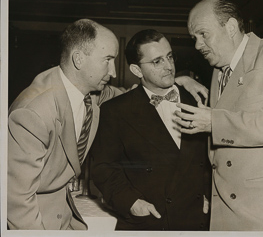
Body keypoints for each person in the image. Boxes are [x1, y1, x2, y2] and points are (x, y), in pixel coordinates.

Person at [7, 19, 207, 230]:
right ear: (79, 59)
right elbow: (15, 198)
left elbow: (133, 98)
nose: (113, 71)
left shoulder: (91, 93)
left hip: (65, 216)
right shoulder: (32, 113)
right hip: (35, 220)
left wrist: (177, 81)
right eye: (108, 60)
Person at [174, 0, 263, 231]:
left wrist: (214, 121)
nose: (197, 45)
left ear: (230, 28)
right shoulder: (219, 72)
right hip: (226, 211)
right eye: (194, 38)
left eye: (203, 34)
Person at [91, 29, 212, 231]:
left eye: (170, 57)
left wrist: (210, 193)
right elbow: (104, 168)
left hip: (196, 220)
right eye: (157, 62)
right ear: (137, 71)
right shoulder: (116, 111)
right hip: (148, 221)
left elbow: (217, 158)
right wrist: (131, 202)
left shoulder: (200, 99)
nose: (169, 67)